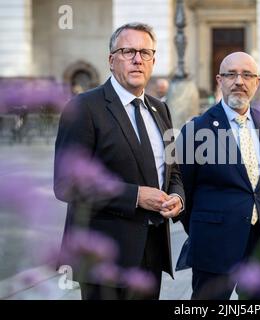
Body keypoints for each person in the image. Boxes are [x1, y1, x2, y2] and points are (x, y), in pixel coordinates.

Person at [53, 22, 184, 300]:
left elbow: (174, 171)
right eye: (128, 51)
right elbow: (66, 184)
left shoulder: (161, 109)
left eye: (145, 53)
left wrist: (177, 197)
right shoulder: (84, 107)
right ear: (111, 60)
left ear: (153, 61)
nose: (138, 59)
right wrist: (135, 196)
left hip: (153, 253)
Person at [176, 52, 260, 300]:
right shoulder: (197, 129)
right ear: (219, 80)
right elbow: (182, 189)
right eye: (231, 74)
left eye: (247, 75)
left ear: (257, 82)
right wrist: (205, 228)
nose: (239, 81)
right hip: (214, 246)